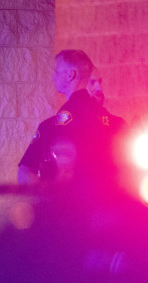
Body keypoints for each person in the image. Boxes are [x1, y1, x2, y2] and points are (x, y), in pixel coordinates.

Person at [17, 50, 112, 184]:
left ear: (70, 75)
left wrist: (44, 198)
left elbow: (26, 171)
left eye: (56, 72)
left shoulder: (52, 125)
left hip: (67, 201)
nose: (53, 77)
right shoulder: (112, 122)